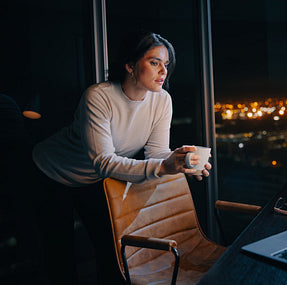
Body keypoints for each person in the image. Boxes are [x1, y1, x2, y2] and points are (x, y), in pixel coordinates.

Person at [31, 30, 209, 284]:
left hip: (96, 180)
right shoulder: (99, 96)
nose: (163, 71)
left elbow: (157, 153)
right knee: (60, 256)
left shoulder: (162, 101)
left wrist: (180, 161)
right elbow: (103, 162)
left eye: (166, 64)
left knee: (112, 253)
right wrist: (164, 165)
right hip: (52, 172)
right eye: (154, 62)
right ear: (130, 65)